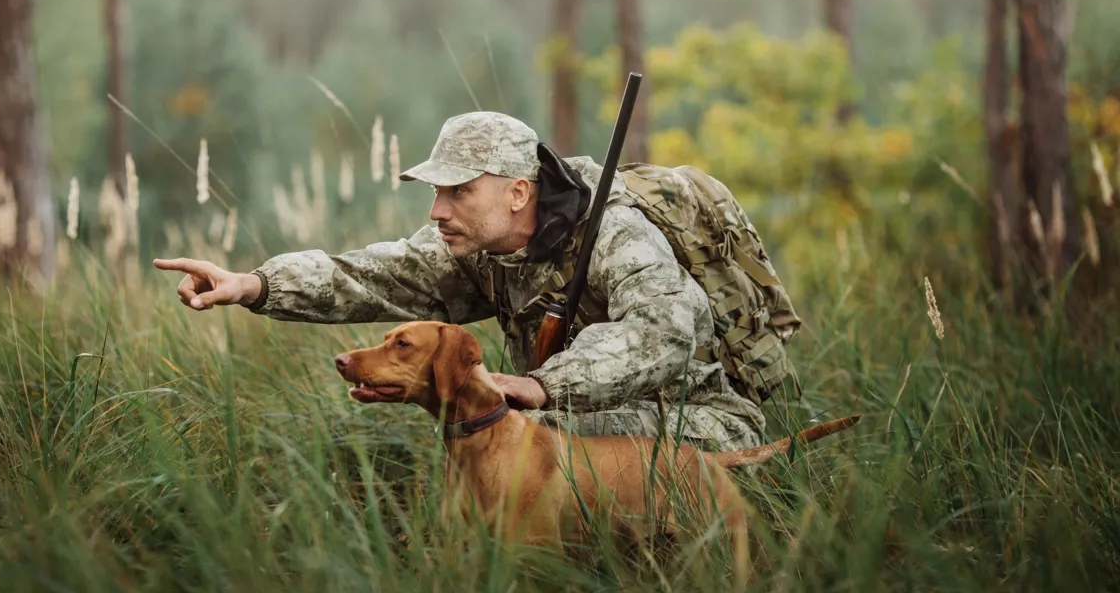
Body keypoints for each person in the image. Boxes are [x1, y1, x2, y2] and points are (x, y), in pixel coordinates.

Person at [153, 112, 768, 451]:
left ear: (517, 191)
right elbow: (373, 275)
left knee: (523, 437)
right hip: (568, 411)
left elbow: (666, 331)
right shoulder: (475, 245)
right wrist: (255, 285)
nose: (437, 210)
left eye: (458, 191)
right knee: (501, 433)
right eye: (437, 192)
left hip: (699, 421)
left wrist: (543, 385)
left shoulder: (615, 233)